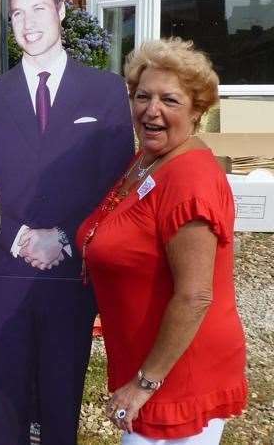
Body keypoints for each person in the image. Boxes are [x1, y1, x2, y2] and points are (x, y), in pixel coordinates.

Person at [0, 0, 135, 444]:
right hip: (5, 275)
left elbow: (117, 186)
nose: (27, 23)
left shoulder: (106, 91)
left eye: (37, 8)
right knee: (6, 408)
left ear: (60, 11)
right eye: (17, 13)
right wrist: (0, 212)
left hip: (67, 276)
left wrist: (65, 237)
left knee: (60, 404)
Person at [76, 38, 247, 444]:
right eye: (142, 96)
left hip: (179, 372)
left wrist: (143, 384)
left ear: (197, 109)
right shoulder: (149, 159)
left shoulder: (190, 180)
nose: (152, 111)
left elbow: (195, 296)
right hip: (151, 360)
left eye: (170, 100)